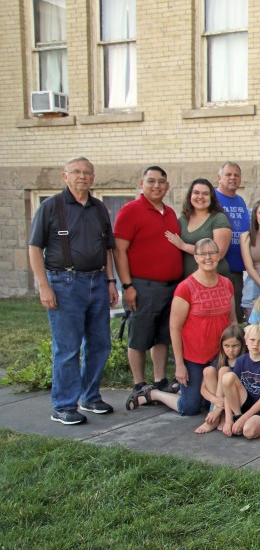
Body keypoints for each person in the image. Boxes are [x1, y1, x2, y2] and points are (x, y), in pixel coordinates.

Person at [28, 156, 119, 424]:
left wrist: (111, 282)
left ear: (93, 177)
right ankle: (63, 406)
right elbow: (34, 248)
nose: (82, 176)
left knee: (99, 344)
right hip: (63, 283)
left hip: (97, 282)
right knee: (67, 348)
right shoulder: (51, 206)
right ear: (65, 176)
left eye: (87, 172)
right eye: (76, 172)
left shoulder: (99, 208)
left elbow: (107, 248)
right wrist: (43, 286)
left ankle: (90, 397)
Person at [136, 238, 235, 424]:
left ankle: (187, 389)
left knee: (212, 403)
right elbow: (175, 328)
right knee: (189, 408)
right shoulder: (186, 288)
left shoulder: (227, 284)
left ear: (218, 256)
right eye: (203, 254)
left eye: (212, 253)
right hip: (194, 357)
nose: (208, 257)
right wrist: (179, 364)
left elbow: (233, 321)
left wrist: (235, 354)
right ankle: (155, 394)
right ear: (195, 257)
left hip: (219, 356)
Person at [113, 166, 183, 402]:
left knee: (162, 336)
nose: (156, 186)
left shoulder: (170, 213)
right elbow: (119, 250)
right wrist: (127, 286)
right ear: (141, 183)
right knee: (140, 336)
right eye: (151, 181)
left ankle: (160, 380)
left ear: (167, 185)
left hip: (170, 287)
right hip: (142, 286)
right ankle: (138, 384)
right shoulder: (130, 211)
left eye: (161, 182)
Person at [217, 322, 260, 438]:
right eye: (252, 340)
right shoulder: (241, 360)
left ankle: (250, 422)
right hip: (245, 401)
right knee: (227, 377)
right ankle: (237, 416)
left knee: (249, 432)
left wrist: (244, 419)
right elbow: (228, 393)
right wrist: (228, 420)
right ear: (246, 340)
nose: (255, 344)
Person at [166, 178, 231, 278]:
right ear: (190, 196)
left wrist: (184, 246)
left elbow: (219, 253)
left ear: (211, 197)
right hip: (187, 280)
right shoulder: (182, 220)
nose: (200, 197)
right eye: (196, 193)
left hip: (213, 278)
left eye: (205, 194)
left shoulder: (219, 218)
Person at [214, 161, 249, 321]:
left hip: (237, 270)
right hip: (218, 268)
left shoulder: (240, 200)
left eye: (236, 175)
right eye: (228, 174)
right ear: (219, 177)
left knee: (235, 317)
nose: (233, 178)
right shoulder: (212, 198)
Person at [196, 324, 245, 429]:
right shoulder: (220, 358)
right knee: (208, 370)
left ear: (243, 345)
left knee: (224, 370)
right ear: (221, 345)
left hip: (235, 400)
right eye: (226, 346)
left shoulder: (245, 360)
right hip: (217, 400)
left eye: (235, 346)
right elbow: (203, 389)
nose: (230, 350)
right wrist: (217, 401)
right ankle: (217, 415)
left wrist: (219, 407)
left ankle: (217, 416)